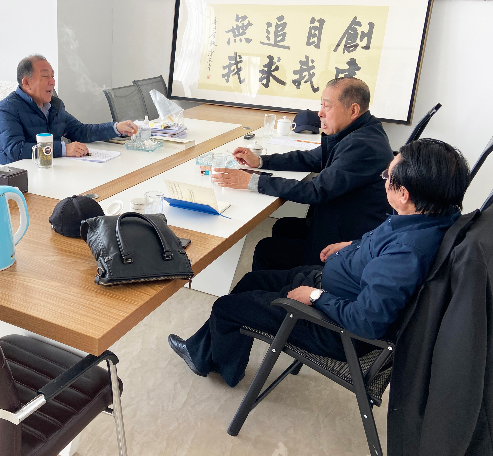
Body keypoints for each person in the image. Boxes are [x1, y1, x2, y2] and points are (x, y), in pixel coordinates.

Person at [169, 139, 470, 388]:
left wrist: (315, 297)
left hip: (334, 329)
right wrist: (352, 246)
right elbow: (382, 245)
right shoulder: (427, 217)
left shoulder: (405, 254)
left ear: (403, 194)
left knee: (226, 308)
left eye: (387, 177)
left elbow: (366, 322)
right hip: (334, 286)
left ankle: (220, 369)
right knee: (250, 282)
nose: (384, 181)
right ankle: (207, 352)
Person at [211, 77, 393, 271]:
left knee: (266, 249)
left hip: (347, 241)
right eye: (321, 105)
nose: (320, 113)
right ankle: (287, 281)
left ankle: (295, 282)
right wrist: (261, 161)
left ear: (353, 110)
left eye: (327, 106)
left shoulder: (362, 145)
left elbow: (315, 191)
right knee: (283, 227)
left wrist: (253, 181)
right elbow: (311, 158)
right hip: (342, 220)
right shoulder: (359, 131)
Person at [0, 54, 139, 164]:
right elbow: (16, 150)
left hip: (54, 172)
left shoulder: (55, 106)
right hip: (22, 182)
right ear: (26, 82)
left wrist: (116, 128)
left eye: (52, 76)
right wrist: (64, 149)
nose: (52, 82)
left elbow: (81, 131)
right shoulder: (6, 109)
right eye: (45, 76)